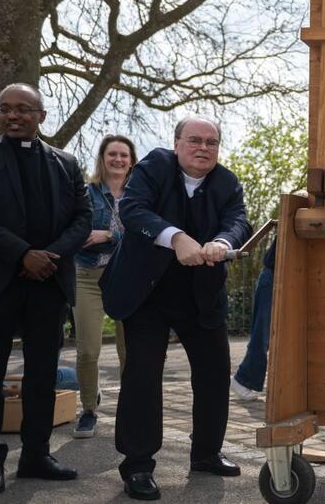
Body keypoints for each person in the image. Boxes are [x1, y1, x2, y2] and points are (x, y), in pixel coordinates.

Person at [102, 115, 250, 501]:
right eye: (195, 140)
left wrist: (222, 241)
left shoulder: (228, 182)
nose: (203, 148)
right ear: (177, 143)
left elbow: (238, 221)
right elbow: (133, 210)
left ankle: (206, 453)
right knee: (143, 375)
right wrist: (176, 237)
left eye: (211, 143)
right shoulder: (154, 166)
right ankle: (137, 464)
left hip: (200, 295)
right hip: (147, 292)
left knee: (214, 372)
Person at [0, 83, 91, 494]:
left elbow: (83, 218)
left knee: (42, 375)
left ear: (41, 116)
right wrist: (23, 254)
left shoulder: (66, 162)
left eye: (23, 109)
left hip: (49, 283)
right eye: (5, 109)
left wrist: (50, 255)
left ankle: (36, 455)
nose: (13, 116)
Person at [73, 134, 136, 439]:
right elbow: (75, 230)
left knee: (130, 350)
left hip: (127, 277)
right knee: (87, 351)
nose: (118, 160)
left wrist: (109, 236)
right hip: (87, 276)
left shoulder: (140, 194)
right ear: (102, 158)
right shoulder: (86, 193)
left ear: (132, 161)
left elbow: (146, 234)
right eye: (112, 154)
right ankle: (88, 409)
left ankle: (129, 407)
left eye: (124, 155)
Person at [230, 236, 275, 401]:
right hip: (273, 278)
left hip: (276, 277)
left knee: (264, 336)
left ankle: (244, 379)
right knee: (262, 336)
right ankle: (242, 380)